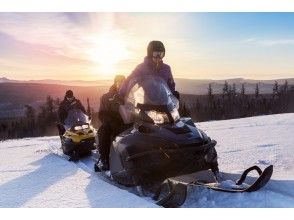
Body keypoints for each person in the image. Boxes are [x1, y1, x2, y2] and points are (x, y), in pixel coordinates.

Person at [96, 75, 126, 171]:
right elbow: (102, 113)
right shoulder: (106, 97)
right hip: (112, 122)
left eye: (123, 82)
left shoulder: (129, 94)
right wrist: (110, 120)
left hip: (127, 121)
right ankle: (104, 159)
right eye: (119, 82)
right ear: (115, 83)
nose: (121, 84)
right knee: (104, 131)